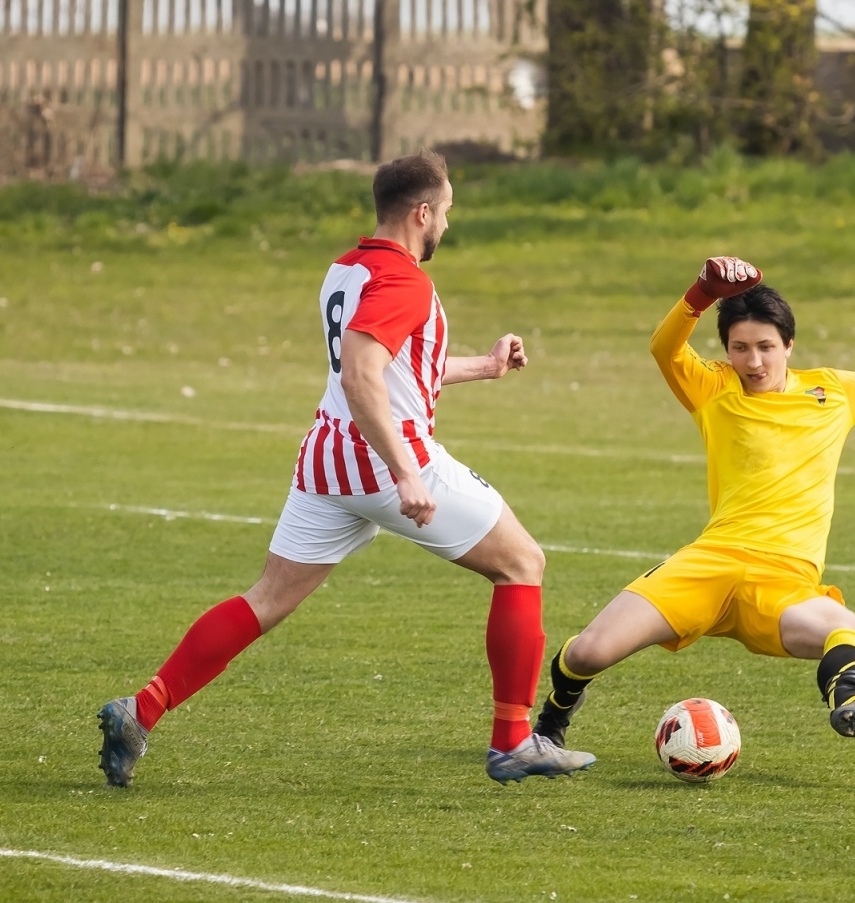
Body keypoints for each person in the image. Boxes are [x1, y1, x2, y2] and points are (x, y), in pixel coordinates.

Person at [97, 151, 596, 788]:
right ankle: (512, 742)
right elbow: (362, 374)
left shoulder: (349, 269)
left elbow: (393, 367)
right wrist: (406, 473)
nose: (446, 222)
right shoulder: (405, 281)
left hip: (327, 461)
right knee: (522, 563)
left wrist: (485, 366)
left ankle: (141, 711)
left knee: (266, 600)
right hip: (385, 460)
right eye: (445, 212)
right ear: (422, 213)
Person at [533, 257, 855, 756]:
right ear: (726, 351)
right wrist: (700, 295)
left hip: (785, 582)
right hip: (710, 564)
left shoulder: (833, 392)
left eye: (765, 346)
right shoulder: (713, 388)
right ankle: (550, 728)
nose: (753, 361)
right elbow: (664, 348)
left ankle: (850, 706)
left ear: (789, 344)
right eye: (739, 348)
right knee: (588, 654)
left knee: (849, 629)